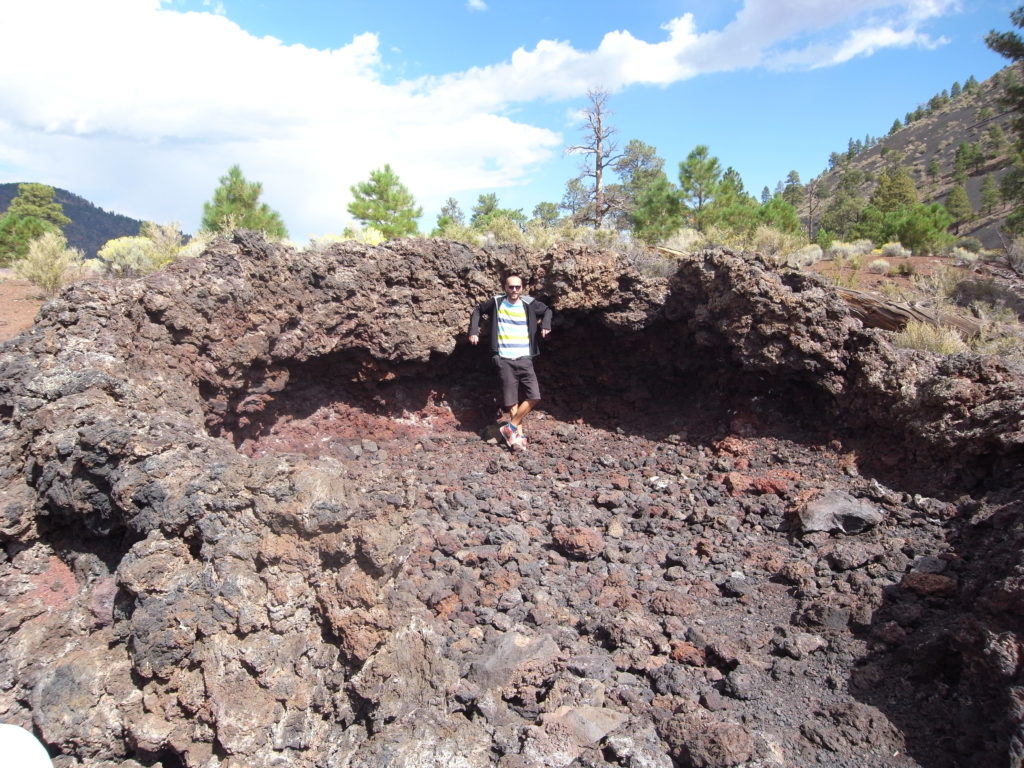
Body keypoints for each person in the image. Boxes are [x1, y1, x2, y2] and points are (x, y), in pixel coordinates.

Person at [468, 275, 552, 449]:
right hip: (505, 359)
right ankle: (517, 437)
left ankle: (510, 427)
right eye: (511, 287)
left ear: (522, 288)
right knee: (511, 401)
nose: (514, 290)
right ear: (505, 287)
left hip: (525, 358)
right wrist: (473, 330)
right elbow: (478, 310)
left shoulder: (529, 303)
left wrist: (546, 324)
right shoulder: (497, 302)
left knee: (534, 396)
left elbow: (547, 311)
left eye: (518, 287)